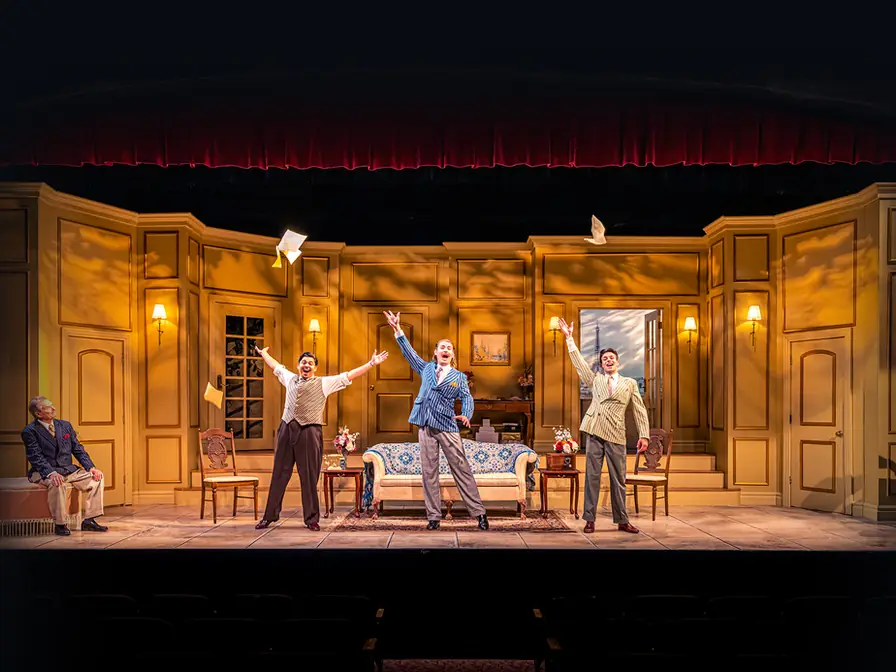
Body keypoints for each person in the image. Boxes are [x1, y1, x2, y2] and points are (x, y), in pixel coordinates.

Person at [254, 347, 389, 531]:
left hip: (309, 432)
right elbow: (275, 366)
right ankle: (269, 516)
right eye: (304, 362)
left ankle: (311, 519)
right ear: (298, 365)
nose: (306, 365)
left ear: (315, 368)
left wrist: (371, 363)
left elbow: (348, 375)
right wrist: (264, 354)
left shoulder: (324, 383)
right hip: (286, 429)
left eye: (310, 363)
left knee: (309, 476)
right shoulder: (289, 378)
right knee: (279, 474)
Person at [383, 310, 489, 531]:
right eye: (442, 347)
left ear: (452, 354)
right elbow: (409, 353)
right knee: (429, 471)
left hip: (447, 426)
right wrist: (398, 329)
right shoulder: (426, 368)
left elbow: (467, 398)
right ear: (436, 352)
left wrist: (466, 414)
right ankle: (433, 517)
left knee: (461, 468)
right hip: (425, 425)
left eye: (449, 348)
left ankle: (479, 513)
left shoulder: (459, 377)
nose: (445, 350)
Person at [558, 318, 649, 534]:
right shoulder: (595, 380)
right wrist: (569, 339)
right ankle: (589, 519)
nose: (608, 360)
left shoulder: (629, 383)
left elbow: (639, 409)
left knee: (618, 479)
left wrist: (644, 435)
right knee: (592, 477)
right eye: (605, 358)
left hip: (616, 433)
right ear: (601, 363)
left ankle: (622, 520)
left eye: (611, 358)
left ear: (618, 362)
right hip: (595, 431)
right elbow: (580, 364)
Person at [21, 396, 107, 536]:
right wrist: (51, 473)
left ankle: (89, 520)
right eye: (48, 407)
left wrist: (91, 468)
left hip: (68, 469)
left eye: (52, 405)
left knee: (97, 478)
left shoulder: (65, 426)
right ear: (38, 414)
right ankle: (60, 524)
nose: (53, 408)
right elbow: (35, 456)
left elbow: (78, 449)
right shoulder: (30, 431)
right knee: (57, 482)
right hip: (44, 471)